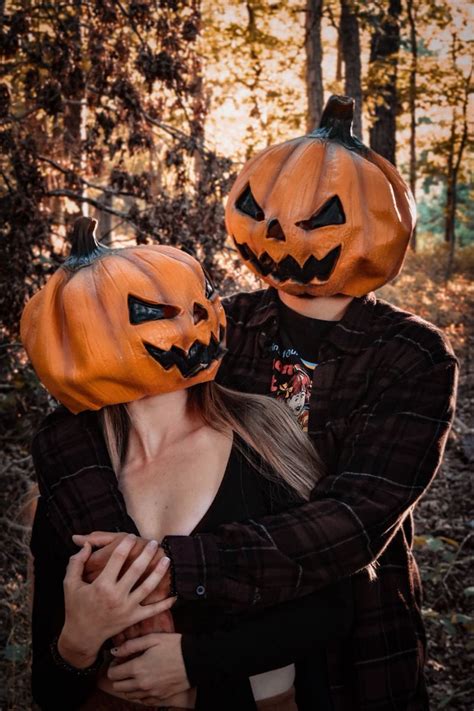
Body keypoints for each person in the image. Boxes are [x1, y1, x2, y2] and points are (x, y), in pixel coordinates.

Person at [30, 95, 458, 710]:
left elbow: (355, 520)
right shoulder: (223, 324)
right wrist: (111, 585)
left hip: (355, 633)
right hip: (226, 634)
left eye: (320, 218)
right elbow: (104, 410)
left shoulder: (411, 354)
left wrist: (164, 573)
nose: (280, 233)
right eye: (259, 211)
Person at [22, 219, 354, 711]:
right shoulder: (75, 477)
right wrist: (78, 641)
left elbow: (333, 608)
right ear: (89, 335)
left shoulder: (261, 434)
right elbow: (50, 689)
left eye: (202, 301)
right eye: (153, 312)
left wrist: (196, 660)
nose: (192, 324)